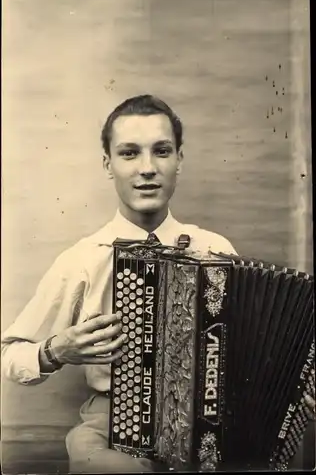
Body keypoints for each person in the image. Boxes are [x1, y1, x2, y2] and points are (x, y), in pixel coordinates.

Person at [1, 95, 314, 473]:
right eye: (129, 153)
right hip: (113, 425)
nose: (147, 168)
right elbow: (10, 354)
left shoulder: (214, 249)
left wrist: (298, 388)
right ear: (108, 164)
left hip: (211, 423)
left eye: (162, 151)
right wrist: (56, 351)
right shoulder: (82, 260)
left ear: (179, 159)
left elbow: (256, 356)